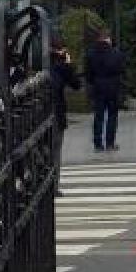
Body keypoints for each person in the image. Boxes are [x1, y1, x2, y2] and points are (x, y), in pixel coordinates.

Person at [84, 28, 127, 151]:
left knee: (98, 115)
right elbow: (122, 70)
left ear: (97, 39)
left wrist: (93, 82)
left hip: (98, 86)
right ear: (108, 39)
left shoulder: (91, 54)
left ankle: (98, 144)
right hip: (113, 87)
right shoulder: (117, 53)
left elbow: (88, 74)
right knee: (112, 115)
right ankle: (110, 143)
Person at [49, 40, 82, 193]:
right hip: (56, 112)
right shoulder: (61, 67)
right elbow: (76, 84)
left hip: (50, 112)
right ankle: (53, 185)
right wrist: (68, 64)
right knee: (55, 149)